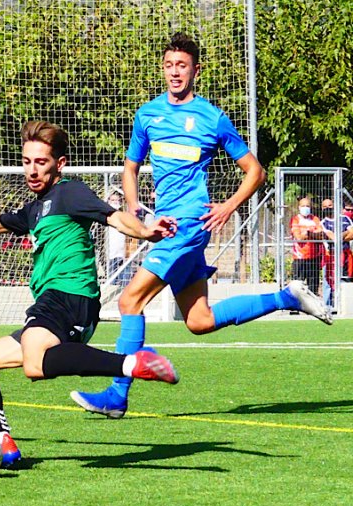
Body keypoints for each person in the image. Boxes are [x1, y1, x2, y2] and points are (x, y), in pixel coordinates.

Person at [72, 32, 332, 420]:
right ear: (163, 69)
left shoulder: (212, 118)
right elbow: (130, 167)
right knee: (199, 321)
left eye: (182, 65)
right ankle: (287, 298)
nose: (175, 72)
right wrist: (134, 205)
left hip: (189, 225)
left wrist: (227, 206)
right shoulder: (148, 115)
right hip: (167, 224)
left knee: (130, 301)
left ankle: (117, 394)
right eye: (169, 65)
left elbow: (255, 172)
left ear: (196, 70)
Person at [0, 120, 180, 467]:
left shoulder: (69, 192)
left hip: (68, 296)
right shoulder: (35, 209)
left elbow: (114, 218)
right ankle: (5, 445)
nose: (32, 170)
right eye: (27, 161)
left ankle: (131, 363)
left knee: (35, 364)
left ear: (58, 164)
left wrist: (146, 231)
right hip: (55, 305)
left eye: (41, 162)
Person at [320, 198, 353, 307]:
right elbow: (333, 237)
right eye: (325, 207)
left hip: (346, 253)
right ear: (322, 208)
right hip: (331, 255)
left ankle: (345, 305)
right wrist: (345, 234)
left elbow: (352, 233)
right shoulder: (323, 223)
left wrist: (340, 235)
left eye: (330, 206)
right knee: (328, 281)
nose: (328, 208)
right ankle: (328, 306)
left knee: (345, 279)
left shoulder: (345, 219)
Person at [290, 197, 324, 296]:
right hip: (300, 257)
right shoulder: (295, 219)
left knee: (313, 285)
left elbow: (320, 235)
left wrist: (308, 233)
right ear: (299, 207)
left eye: (307, 206)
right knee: (297, 284)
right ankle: (294, 307)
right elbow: (298, 237)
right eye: (303, 206)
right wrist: (312, 233)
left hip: (314, 257)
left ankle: (313, 307)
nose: (305, 208)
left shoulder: (315, 219)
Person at [105, 192, 130, 286]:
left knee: (125, 275)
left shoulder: (124, 215)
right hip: (110, 251)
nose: (115, 202)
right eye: (113, 200)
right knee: (112, 277)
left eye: (117, 200)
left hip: (123, 250)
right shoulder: (104, 216)